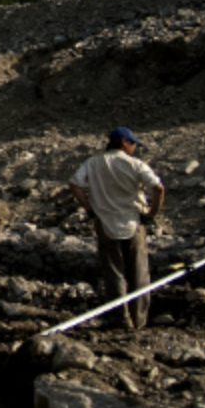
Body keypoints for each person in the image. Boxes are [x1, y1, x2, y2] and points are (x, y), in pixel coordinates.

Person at [68, 126, 165, 329]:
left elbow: (74, 184)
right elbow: (158, 187)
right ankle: (138, 320)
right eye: (133, 144)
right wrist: (152, 214)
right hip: (133, 221)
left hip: (105, 222)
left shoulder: (93, 163)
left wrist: (90, 208)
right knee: (138, 273)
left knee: (114, 273)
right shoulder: (135, 164)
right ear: (124, 143)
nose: (134, 148)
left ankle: (120, 319)